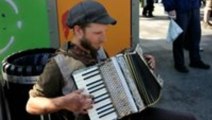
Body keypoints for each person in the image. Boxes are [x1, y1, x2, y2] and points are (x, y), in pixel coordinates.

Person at [26, 1, 197, 120]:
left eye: (105, 32)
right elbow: (31, 104)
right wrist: (64, 102)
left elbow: (113, 74)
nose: (104, 39)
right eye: (98, 33)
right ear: (78, 30)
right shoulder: (58, 64)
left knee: (188, 119)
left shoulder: (97, 49)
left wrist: (141, 65)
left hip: (125, 113)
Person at [163, 0, 210, 73]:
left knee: (195, 35)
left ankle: (195, 60)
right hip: (180, 8)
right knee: (179, 37)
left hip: (194, 6)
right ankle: (179, 63)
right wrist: (170, 7)